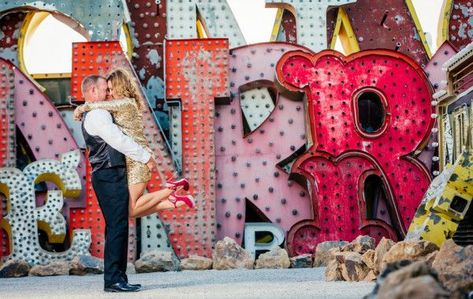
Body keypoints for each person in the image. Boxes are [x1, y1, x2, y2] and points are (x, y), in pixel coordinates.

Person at [76, 69, 194, 218]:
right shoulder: (125, 104)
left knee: (130, 209)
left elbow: (95, 105)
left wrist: (81, 108)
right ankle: (172, 201)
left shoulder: (125, 103)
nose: (109, 94)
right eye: (108, 90)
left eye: (111, 89)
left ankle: (172, 190)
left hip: (137, 160)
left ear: (120, 87)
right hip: (132, 159)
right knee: (130, 210)